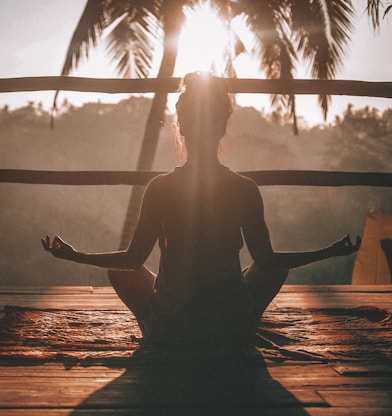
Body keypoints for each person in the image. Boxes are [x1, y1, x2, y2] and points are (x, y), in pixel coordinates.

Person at [42, 72, 360, 351]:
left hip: (172, 328)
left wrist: (75, 255)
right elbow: (268, 261)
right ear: (222, 127)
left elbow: (132, 260)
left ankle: (155, 329)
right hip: (229, 327)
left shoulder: (160, 187)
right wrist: (330, 251)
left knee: (120, 271)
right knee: (274, 268)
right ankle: (244, 323)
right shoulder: (244, 188)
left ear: (181, 127)